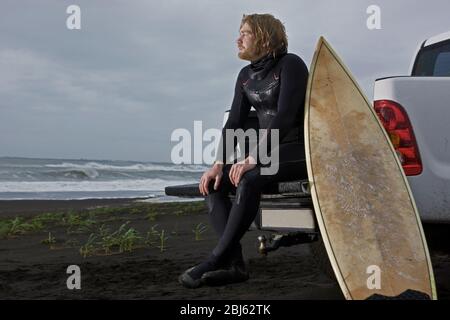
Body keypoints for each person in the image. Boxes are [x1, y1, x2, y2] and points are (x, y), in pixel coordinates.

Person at [179, 13, 309, 288]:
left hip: (299, 149)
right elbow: (235, 122)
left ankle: (215, 259)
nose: (238, 39)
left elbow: (285, 116)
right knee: (213, 184)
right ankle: (235, 265)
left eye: (245, 33)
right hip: (268, 153)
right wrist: (218, 164)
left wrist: (252, 158)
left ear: (263, 36)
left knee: (249, 178)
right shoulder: (245, 76)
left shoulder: (291, 65)